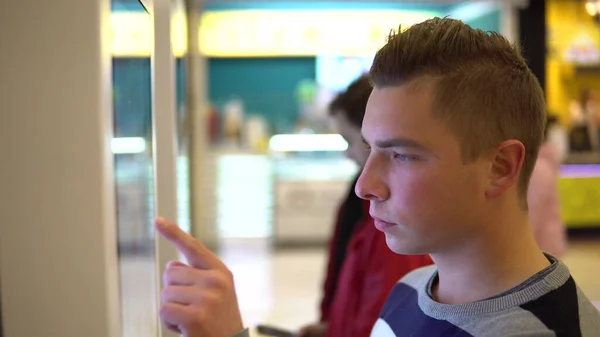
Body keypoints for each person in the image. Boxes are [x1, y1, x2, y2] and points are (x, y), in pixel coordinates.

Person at [155, 17, 600, 337]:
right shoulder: (413, 289)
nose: (364, 185)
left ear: (499, 167)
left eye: (402, 155)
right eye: (369, 149)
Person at [297, 76, 432, 337]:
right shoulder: (360, 207)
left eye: (351, 141)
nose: (364, 186)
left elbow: (381, 316)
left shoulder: (394, 225)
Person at [527, 115, 567, 257]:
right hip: (545, 243)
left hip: (540, 246)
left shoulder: (538, 168)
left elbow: (533, 212)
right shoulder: (543, 163)